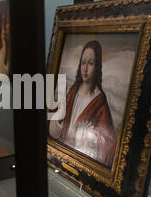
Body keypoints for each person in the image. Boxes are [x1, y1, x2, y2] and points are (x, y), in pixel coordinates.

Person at [50, 40, 116, 168]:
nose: (85, 69)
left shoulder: (99, 101)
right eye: (83, 63)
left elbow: (109, 145)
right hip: (61, 158)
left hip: (81, 164)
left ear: (97, 67)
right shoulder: (72, 92)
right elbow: (54, 130)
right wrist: (59, 119)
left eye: (90, 64)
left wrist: (95, 136)